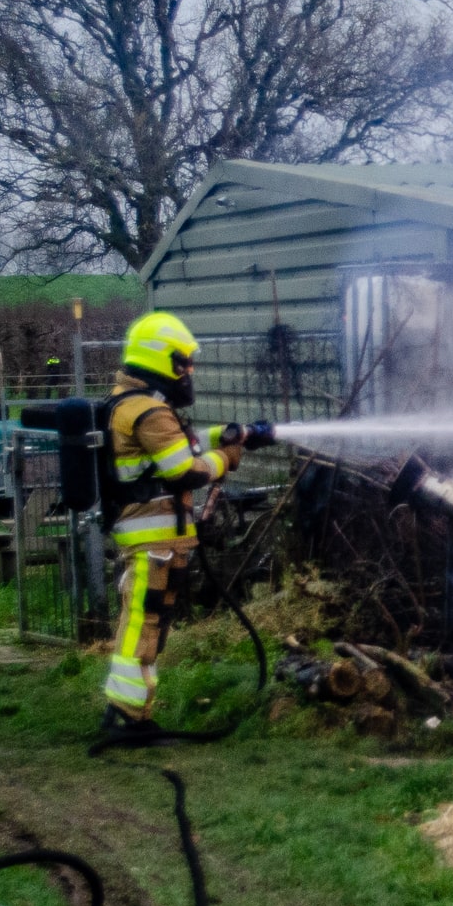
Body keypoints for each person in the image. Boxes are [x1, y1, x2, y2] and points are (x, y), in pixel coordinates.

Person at [98, 310, 274, 743]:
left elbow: (185, 444)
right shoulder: (148, 411)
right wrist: (227, 457)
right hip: (152, 541)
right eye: (182, 361)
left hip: (160, 540)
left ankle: (134, 711)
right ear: (160, 359)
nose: (189, 370)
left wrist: (235, 433)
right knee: (143, 621)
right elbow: (186, 471)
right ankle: (127, 713)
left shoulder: (142, 405)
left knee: (150, 622)